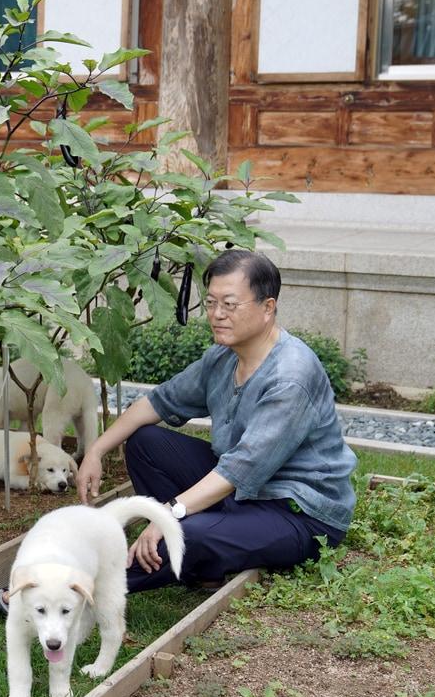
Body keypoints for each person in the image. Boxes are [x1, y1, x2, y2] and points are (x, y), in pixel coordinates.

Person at [73, 248, 356, 592]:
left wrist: (169, 514)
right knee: (146, 443)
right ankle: (205, 562)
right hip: (244, 494)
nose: (217, 314)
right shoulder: (222, 357)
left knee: (188, 533)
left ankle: (71, 588)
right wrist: (96, 451)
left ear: (268, 308)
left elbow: (242, 468)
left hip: (297, 512)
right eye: (210, 303)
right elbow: (158, 401)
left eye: (230, 304)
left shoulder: (290, 377)